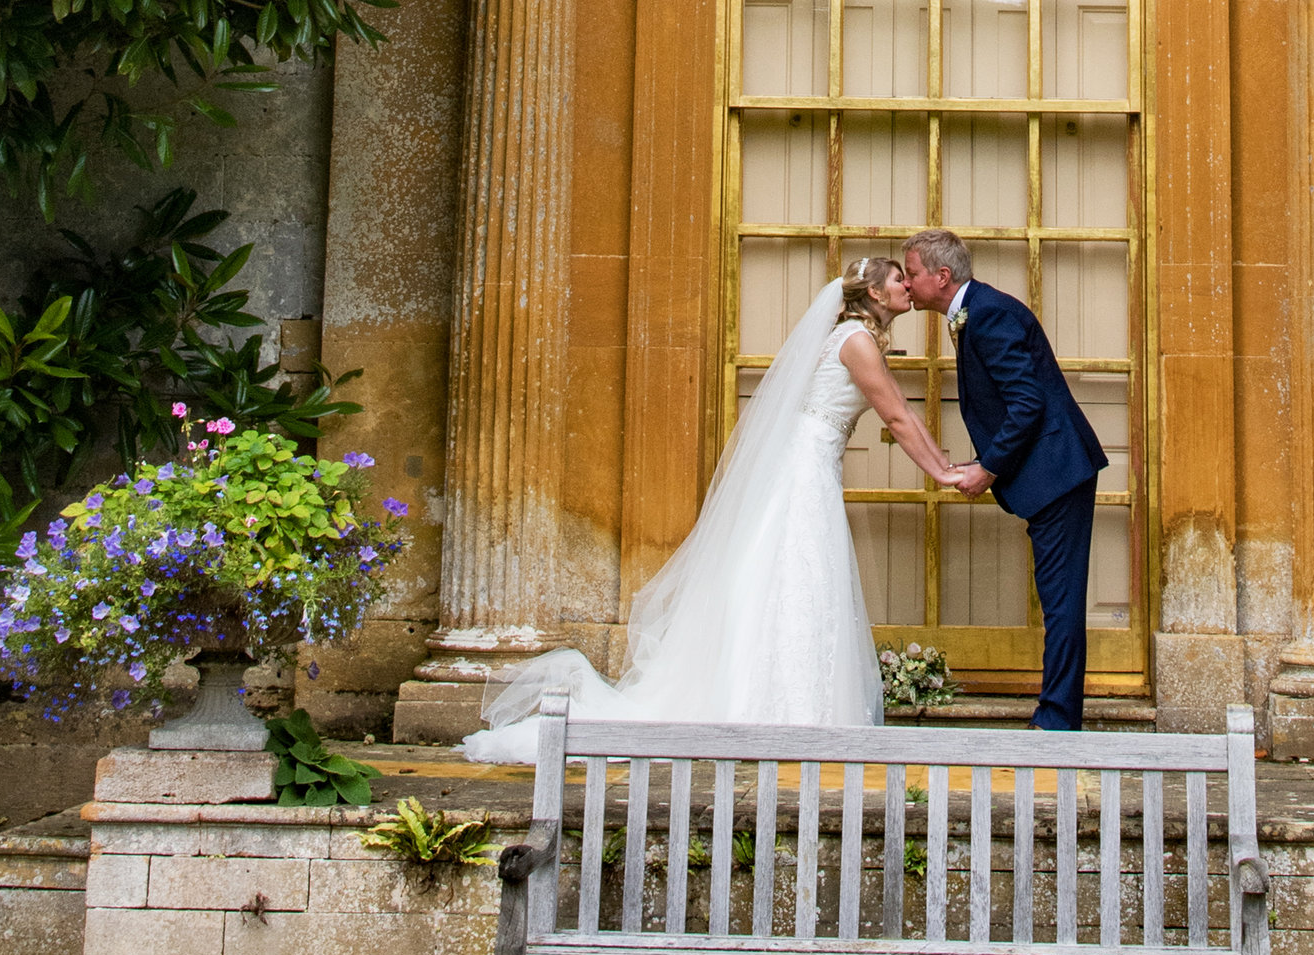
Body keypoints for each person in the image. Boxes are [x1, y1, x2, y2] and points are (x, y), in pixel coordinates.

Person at [455, 254, 956, 756]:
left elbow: (902, 414)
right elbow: (896, 417)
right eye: (898, 279)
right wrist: (945, 475)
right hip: (804, 472)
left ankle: (799, 710)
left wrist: (945, 466)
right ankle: (783, 713)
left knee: (795, 581)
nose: (907, 287)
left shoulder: (855, 339)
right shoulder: (857, 342)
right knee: (798, 578)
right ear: (873, 293)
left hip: (811, 467)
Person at [902, 227, 1108, 734]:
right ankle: (1057, 718)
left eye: (911, 274)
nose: (906, 285)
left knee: (1060, 603)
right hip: (1050, 473)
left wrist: (987, 467)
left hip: (1057, 473)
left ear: (941, 276)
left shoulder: (989, 313)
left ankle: (1057, 724)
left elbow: (1028, 403)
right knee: (1058, 600)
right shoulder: (977, 311)